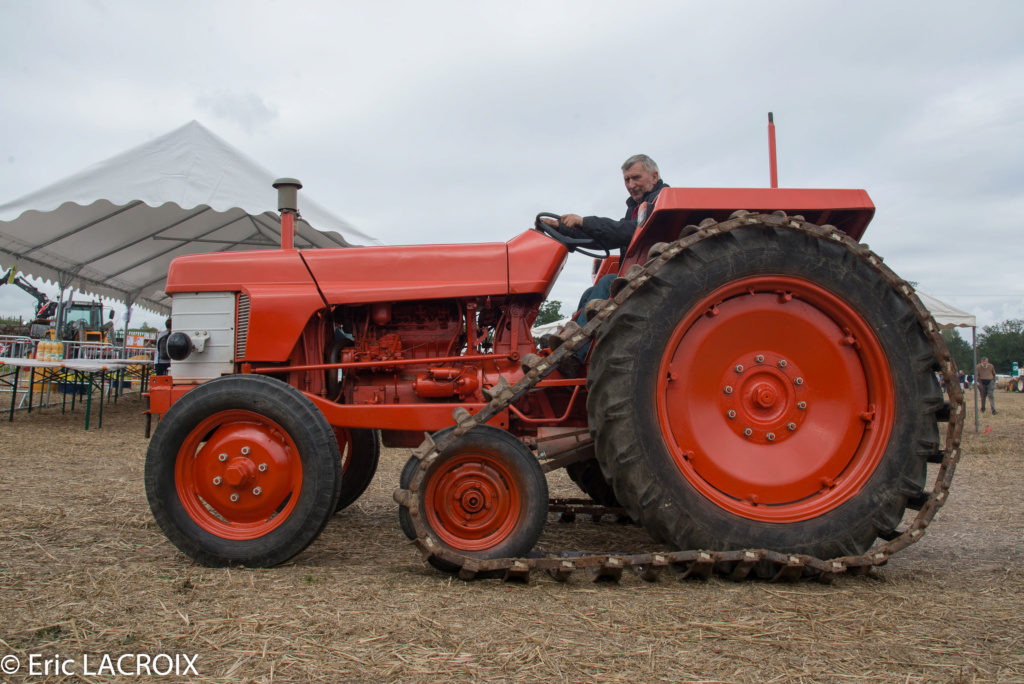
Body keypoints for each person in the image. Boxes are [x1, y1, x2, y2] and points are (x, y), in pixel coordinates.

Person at [539, 155, 669, 363]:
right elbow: (609, 238)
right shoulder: (636, 207)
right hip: (641, 277)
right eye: (627, 180)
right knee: (590, 292)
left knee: (608, 282)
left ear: (654, 176)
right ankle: (565, 339)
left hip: (660, 278)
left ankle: (575, 353)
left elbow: (628, 231)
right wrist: (562, 228)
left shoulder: (662, 201)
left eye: (635, 177)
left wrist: (584, 221)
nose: (631, 185)